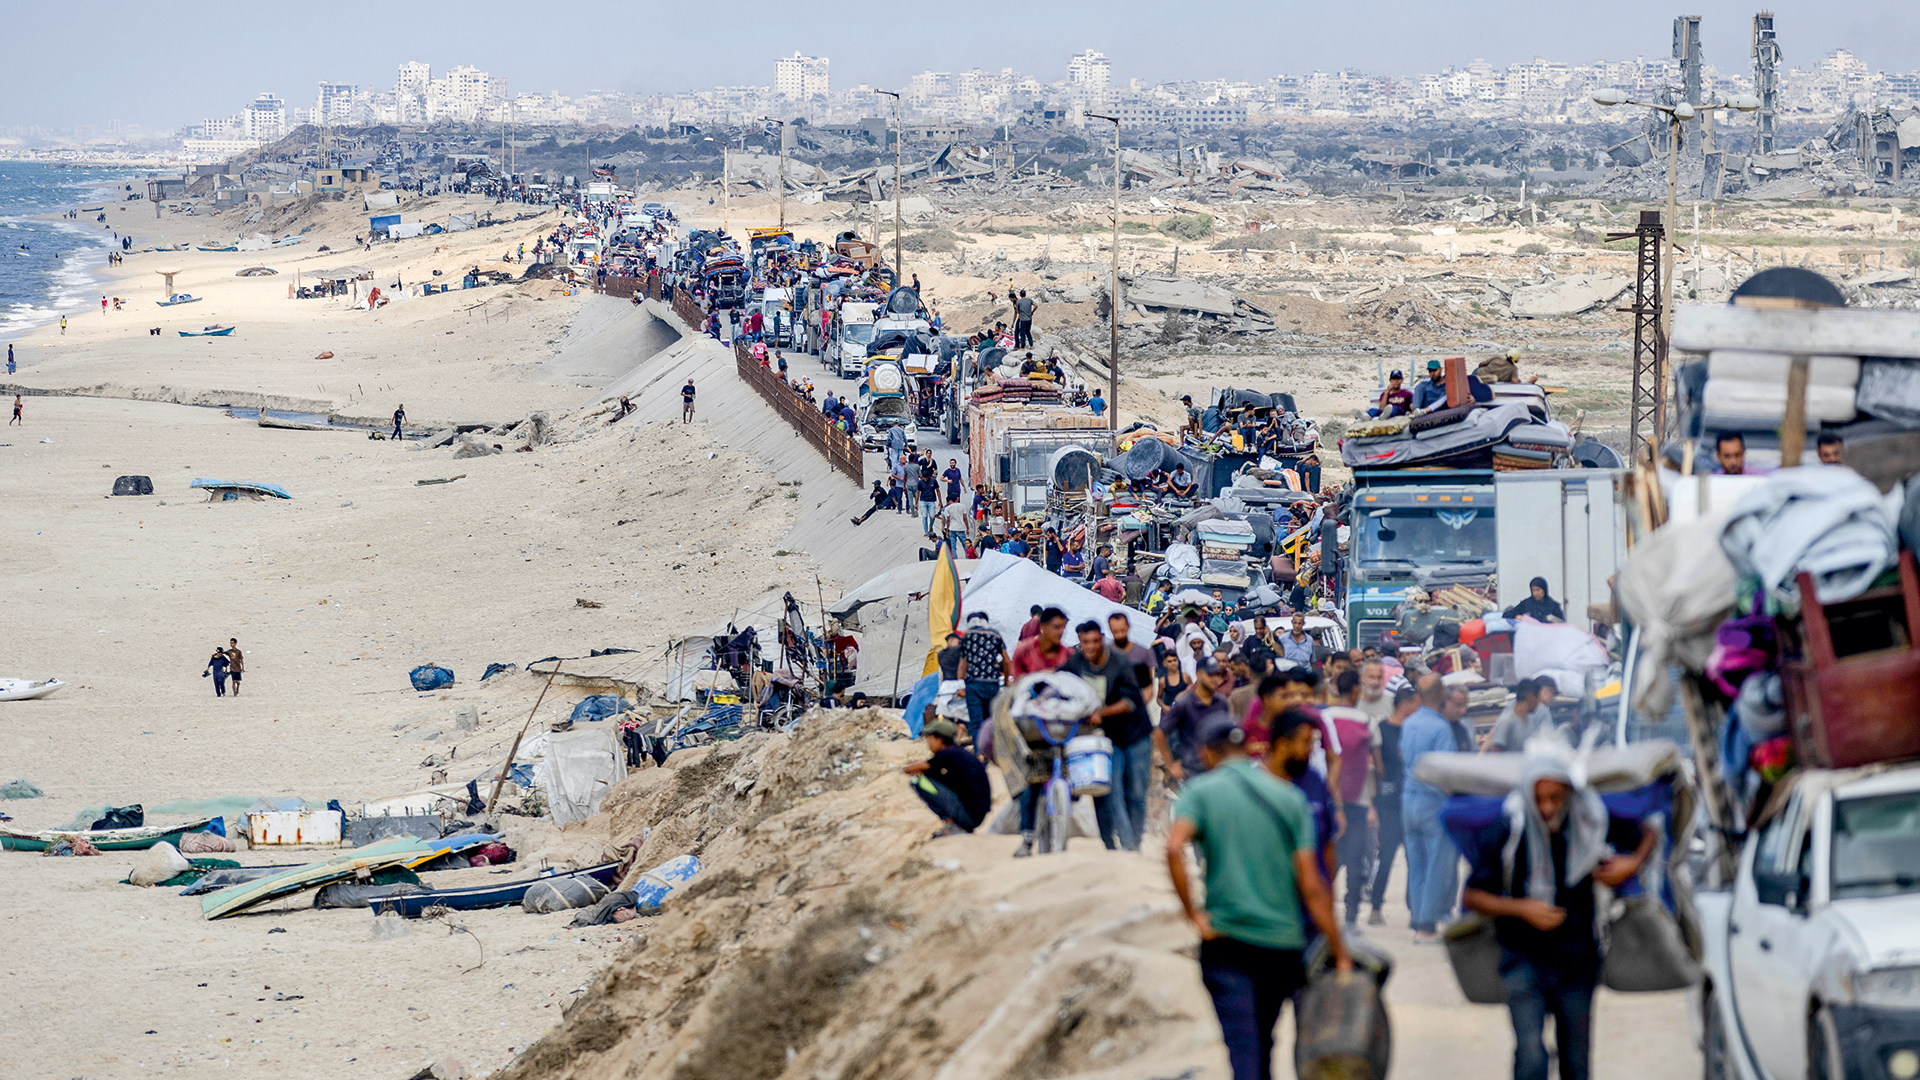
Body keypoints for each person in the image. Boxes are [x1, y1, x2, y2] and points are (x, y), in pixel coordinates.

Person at [1167, 715, 1351, 1080]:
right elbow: (1312, 886)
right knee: (1264, 1042)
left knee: (1244, 1049)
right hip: (1281, 945)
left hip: (1227, 941)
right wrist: (1339, 949)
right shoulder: (1290, 797)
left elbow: (1174, 848)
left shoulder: (1201, 791)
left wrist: (1194, 915)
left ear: (1206, 753)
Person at [1462, 747, 1656, 1080]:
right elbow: (1473, 895)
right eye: (1539, 799)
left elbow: (1651, 828)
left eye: (1555, 797)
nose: (1548, 808)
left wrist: (1633, 863)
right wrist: (1521, 908)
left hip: (1577, 964)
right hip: (1522, 960)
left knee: (1576, 1064)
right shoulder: (1509, 828)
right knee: (1531, 1057)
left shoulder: (1590, 825)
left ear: (1568, 794)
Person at [1062, 620, 1149, 851]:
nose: (1090, 647)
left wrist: (1101, 712)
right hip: (1104, 738)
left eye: (1095, 642)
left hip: (1134, 733)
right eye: (1085, 642)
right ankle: (1113, 845)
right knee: (1106, 789)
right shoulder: (1076, 663)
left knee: (1136, 792)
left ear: (1102, 640)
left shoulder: (1119, 663)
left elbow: (1131, 701)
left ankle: (1134, 842)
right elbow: (1059, 681)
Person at [1400, 674, 1462, 942]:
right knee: (1438, 865)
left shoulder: (1409, 723)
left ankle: (1417, 918)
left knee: (1416, 864)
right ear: (1441, 694)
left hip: (1408, 799)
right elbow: (1445, 772)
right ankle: (1426, 926)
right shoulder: (1441, 728)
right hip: (1433, 802)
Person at [1323, 670, 1376, 924]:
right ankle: (1352, 914)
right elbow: (1375, 766)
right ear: (1356, 690)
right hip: (1357, 800)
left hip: (1328, 800)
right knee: (1356, 860)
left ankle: (1320, 910)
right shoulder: (1366, 720)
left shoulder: (1325, 718)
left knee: (1329, 860)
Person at [1366, 685, 1419, 926]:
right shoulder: (1382, 729)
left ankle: (1415, 909)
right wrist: (1373, 804)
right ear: (1405, 703)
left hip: (1411, 800)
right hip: (1388, 802)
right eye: (1416, 703)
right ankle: (1376, 907)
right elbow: (1375, 769)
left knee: (1414, 857)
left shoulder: (1414, 729)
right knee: (1386, 855)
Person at [904, 718, 993, 836]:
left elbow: (918, 768)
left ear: (939, 739)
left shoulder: (947, 754)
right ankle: (958, 826)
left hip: (968, 816)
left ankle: (951, 826)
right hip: (977, 816)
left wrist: (901, 769)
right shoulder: (958, 753)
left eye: (929, 739)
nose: (928, 743)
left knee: (918, 782)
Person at [1158, 656, 1230, 783]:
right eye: (1210, 674)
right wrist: (1170, 765)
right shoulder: (1185, 703)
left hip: (1219, 770)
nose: (1215, 679)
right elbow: (1160, 732)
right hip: (1193, 770)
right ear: (1198, 674)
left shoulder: (1221, 703)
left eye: (1217, 675)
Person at [957, 611, 1010, 746]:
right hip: (992, 683)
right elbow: (1007, 660)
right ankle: (991, 751)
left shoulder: (967, 636)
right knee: (991, 721)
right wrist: (1005, 681)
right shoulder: (995, 634)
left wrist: (962, 682)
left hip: (974, 684)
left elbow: (963, 663)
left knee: (976, 722)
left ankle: (979, 753)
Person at [1485, 677, 1560, 753]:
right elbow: (1496, 752)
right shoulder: (1507, 721)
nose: (1538, 704)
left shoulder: (1527, 723)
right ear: (1531, 697)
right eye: (1537, 699)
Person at [1010, 607, 1070, 679]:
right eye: (1056, 627)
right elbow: (1018, 682)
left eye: (1063, 628)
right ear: (1043, 627)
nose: (1061, 632)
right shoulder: (1023, 652)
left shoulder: (1067, 655)